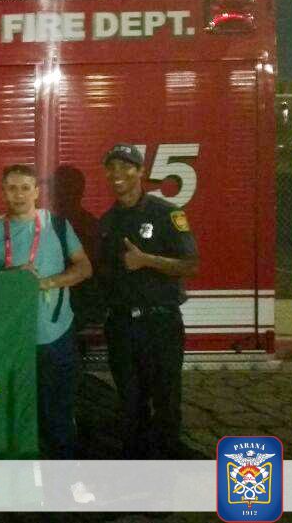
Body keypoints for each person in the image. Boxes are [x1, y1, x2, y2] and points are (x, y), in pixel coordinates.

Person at [0, 164, 94, 503]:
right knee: (15, 415)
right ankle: (21, 488)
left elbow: (84, 268)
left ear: (36, 191)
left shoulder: (57, 225)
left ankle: (65, 485)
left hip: (55, 335)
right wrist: (14, 278)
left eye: (24, 187)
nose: (18, 194)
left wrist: (48, 282)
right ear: (3, 191)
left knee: (58, 414)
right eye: (11, 188)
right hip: (12, 341)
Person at [97, 143, 199, 460]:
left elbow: (190, 265)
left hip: (160, 323)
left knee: (166, 400)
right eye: (112, 167)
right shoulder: (107, 221)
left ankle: (166, 466)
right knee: (130, 402)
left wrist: (147, 260)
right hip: (121, 326)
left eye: (126, 166)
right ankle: (136, 468)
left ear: (141, 171)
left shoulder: (166, 213)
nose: (117, 174)